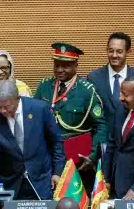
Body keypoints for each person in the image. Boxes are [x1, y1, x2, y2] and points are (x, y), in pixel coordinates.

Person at [0, 80, 65, 200]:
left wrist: (57, 173)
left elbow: (56, 142)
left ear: (18, 98)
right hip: (10, 184)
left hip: (42, 180)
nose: (2, 111)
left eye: (7, 106)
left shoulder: (39, 109)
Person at [34, 42, 108, 194]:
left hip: (77, 160)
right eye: (57, 65)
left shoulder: (87, 91)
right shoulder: (44, 86)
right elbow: (35, 121)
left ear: (75, 65)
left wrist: (92, 157)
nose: (60, 70)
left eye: (65, 66)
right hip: (49, 158)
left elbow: (101, 126)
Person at [87, 32, 134, 140]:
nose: (114, 55)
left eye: (119, 51)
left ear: (128, 51)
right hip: (101, 142)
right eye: (111, 50)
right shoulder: (93, 77)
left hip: (129, 142)